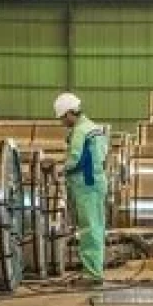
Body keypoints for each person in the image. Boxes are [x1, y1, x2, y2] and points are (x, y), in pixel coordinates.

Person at [54, 92, 108, 286]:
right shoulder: (94, 128)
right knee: (96, 227)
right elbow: (102, 157)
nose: (62, 122)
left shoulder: (80, 131)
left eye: (62, 118)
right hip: (95, 183)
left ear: (70, 113)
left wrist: (59, 169)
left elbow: (75, 159)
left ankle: (93, 274)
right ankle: (94, 270)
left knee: (89, 229)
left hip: (86, 185)